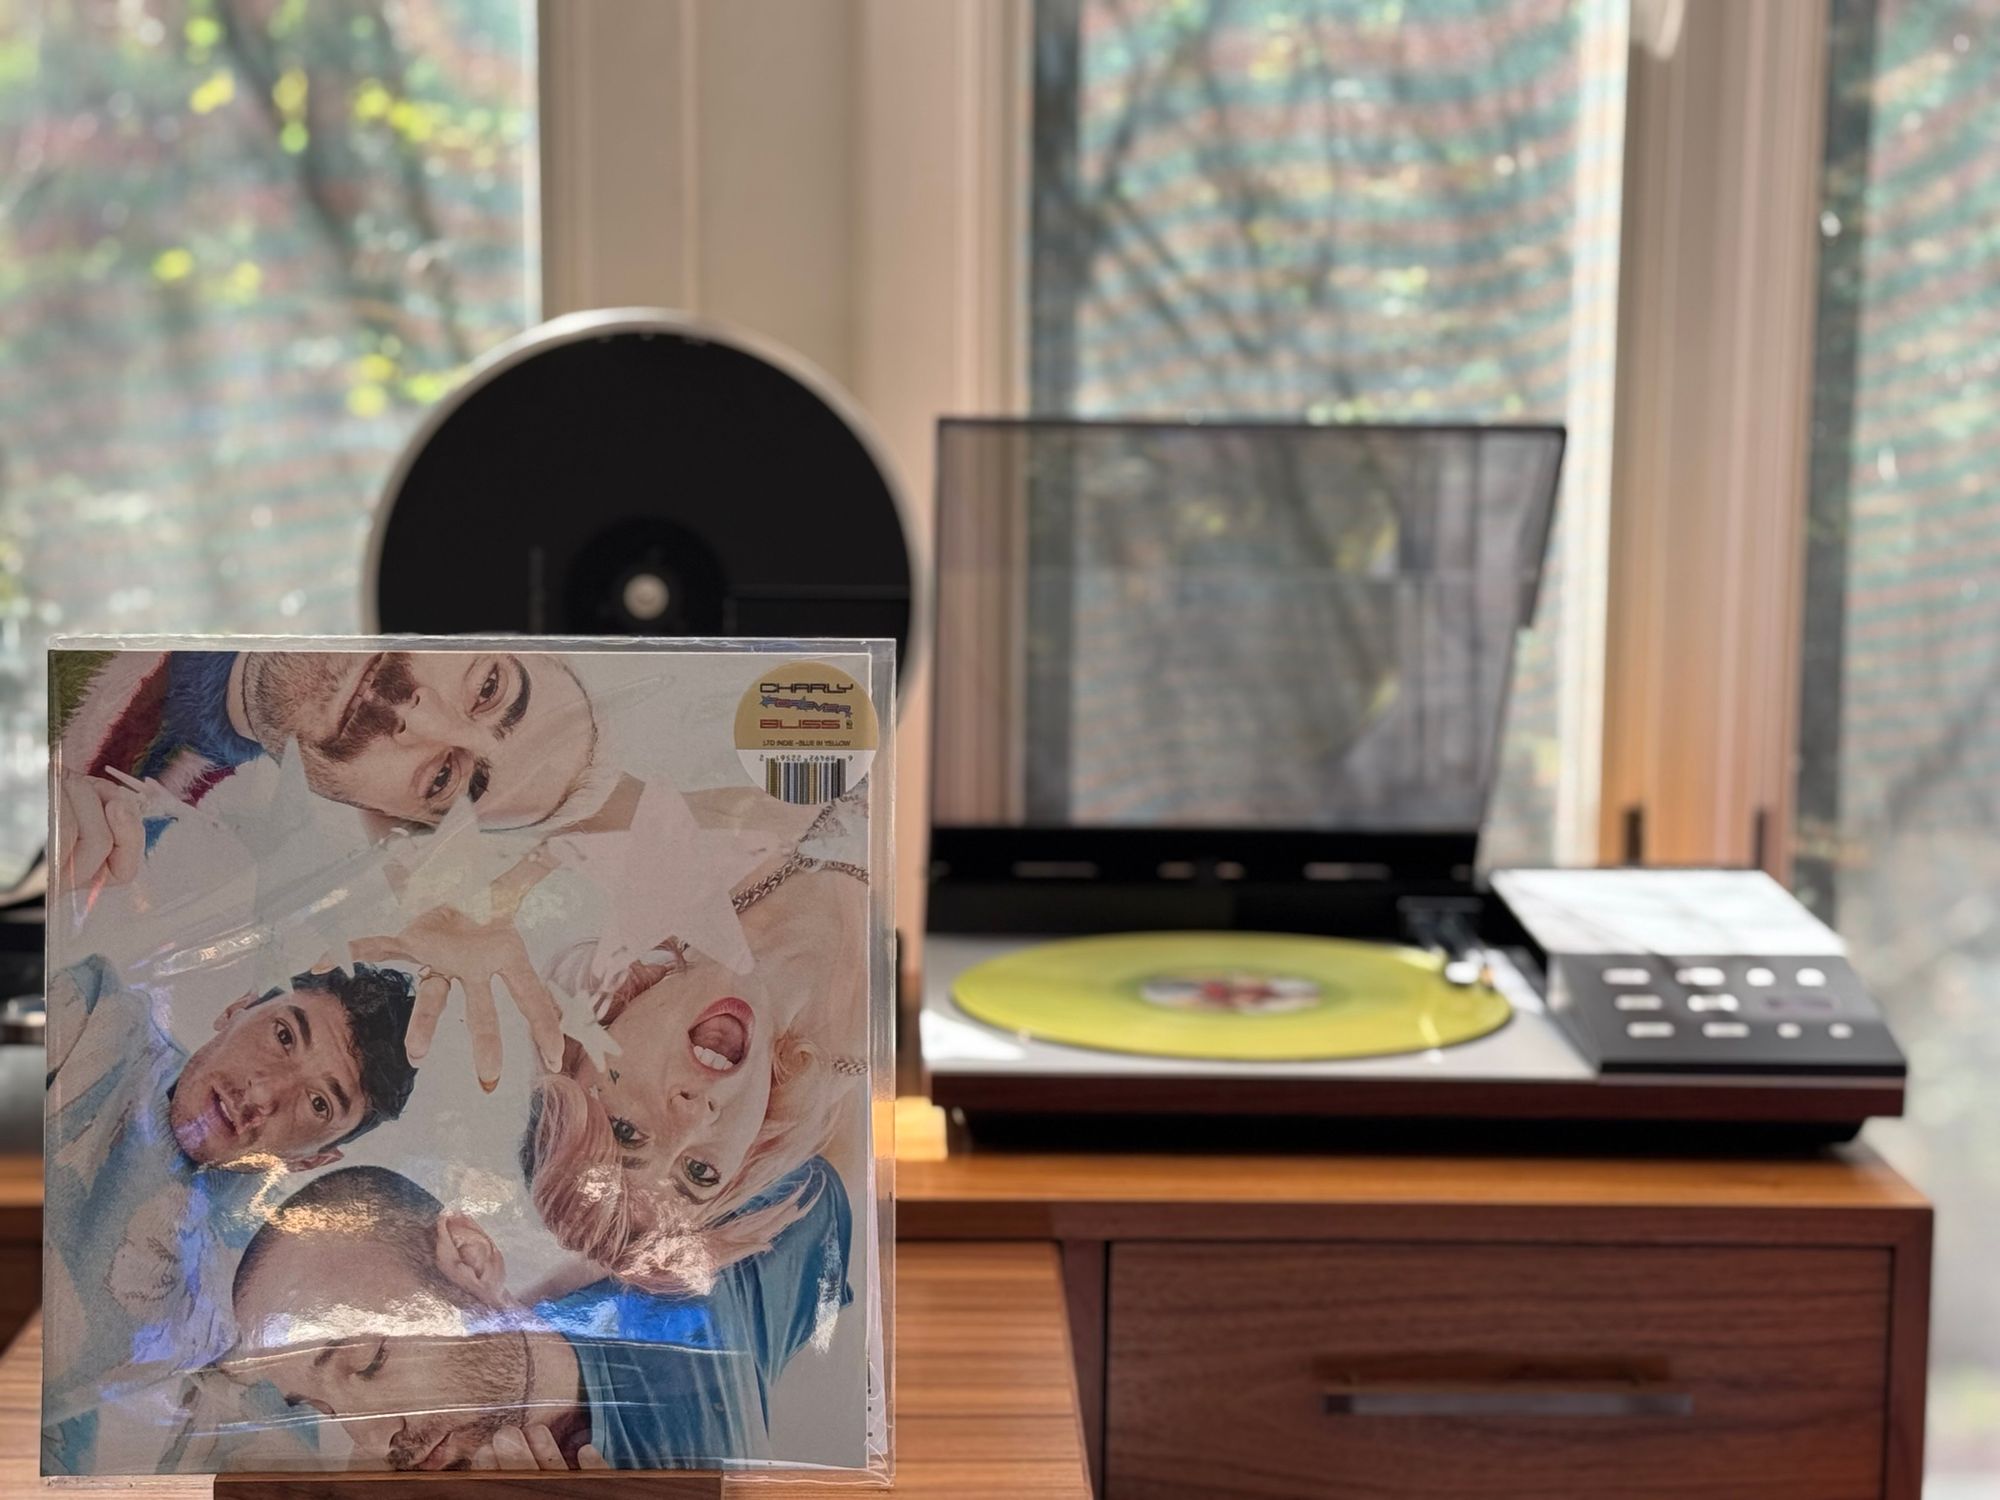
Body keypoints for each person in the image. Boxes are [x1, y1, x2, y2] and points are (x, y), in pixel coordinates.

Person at [221, 1158, 852, 1472]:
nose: (375, 1438)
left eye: (369, 1359)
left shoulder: (689, 1319)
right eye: (325, 1410)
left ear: (469, 1256)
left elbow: (820, 1178)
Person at [42, 955, 420, 1472]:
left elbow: (267, 1454)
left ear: (313, 1159)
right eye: (284, 1036)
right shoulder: (95, 1017)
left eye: (317, 1104)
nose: (262, 1093)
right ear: (237, 1010)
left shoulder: (246, 1286)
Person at [517, 786, 868, 1296]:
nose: (693, 1117)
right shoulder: (891, 1039)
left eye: (627, 1132)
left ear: (584, 1050)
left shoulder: (655, 845)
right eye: (700, 1172)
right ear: (748, 1154)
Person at [52, 648, 600, 889]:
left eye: (443, 779)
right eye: (489, 687)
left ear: (377, 812)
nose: (420, 720)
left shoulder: (106, 820)